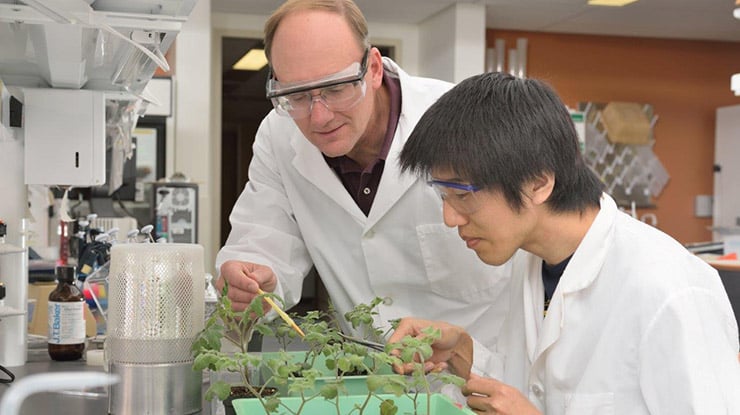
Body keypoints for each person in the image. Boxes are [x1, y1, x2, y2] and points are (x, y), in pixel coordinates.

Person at [391, 72, 740, 414]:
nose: (449, 219)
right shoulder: (531, 261)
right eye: (442, 195)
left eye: (462, 194)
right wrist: (461, 353)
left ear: (538, 183)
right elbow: (538, 386)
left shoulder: (669, 291)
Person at [214, 0, 512, 347]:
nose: (319, 117)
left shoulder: (463, 121)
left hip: (481, 374)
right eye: (295, 95)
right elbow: (264, 238)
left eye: (336, 89)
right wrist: (251, 276)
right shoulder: (279, 135)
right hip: (369, 384)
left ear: (372, 68)